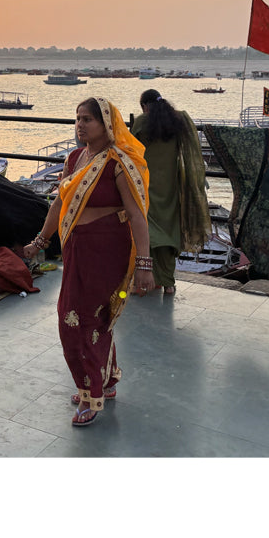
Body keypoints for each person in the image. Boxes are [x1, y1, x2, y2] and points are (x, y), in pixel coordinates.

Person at [22, 97, 154, 428]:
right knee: (89, 318)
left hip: (109, 248)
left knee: (79, 320)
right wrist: (40, 241)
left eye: (88, 120)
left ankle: (90, 391)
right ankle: (105, 380)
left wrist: (144, 264)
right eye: (77, 119)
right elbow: (58, 204)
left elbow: (137, 216)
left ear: (106, 125)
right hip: (77, 248)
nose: (80, 125)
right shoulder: (75, 158)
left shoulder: (118, 164)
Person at [131, 88, 211, 294]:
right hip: (170, 186)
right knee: (168, 232)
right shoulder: (178, 121)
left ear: (144, 106)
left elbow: (130, 150)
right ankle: (168, 283)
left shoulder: (141, 123)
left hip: (145, 184)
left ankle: (144, 282)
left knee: (146, 232)